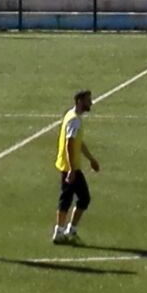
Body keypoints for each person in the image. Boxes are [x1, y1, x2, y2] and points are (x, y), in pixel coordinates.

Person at [52, 89, 100, 245]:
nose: (91, 102)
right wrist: (72, 170)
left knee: (80, 198)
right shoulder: (74, 120)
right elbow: (69, 144)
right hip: (70, 167)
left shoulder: (72, 116)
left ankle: (68, 230)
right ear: (79, 101)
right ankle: (61, 232)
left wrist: (91, 159)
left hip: (71, 166)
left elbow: (78, 143)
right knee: (70, 199)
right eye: (88, 100)